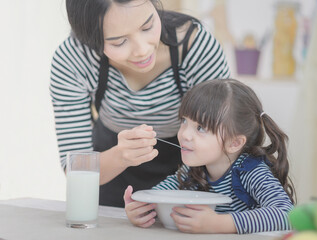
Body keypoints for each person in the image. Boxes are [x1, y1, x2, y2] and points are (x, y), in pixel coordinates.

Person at [49, 0, 230, 207]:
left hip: (192, 179)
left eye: (147, 26)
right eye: (119, 42)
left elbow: (224, 140)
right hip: (110, 178)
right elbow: (76, 171)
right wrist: (121, 155)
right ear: (90, 39)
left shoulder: (195, 46)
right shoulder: (73, 59)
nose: (142, 50)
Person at [124, 79, 296, 234]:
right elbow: (157, 196)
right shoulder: (192, 170)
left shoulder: (250, 171)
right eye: (184, 121)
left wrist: (219, 223)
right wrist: (143, 208)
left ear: (234, 143)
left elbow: (287, 214)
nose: (185, 135)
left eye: (200, 128)